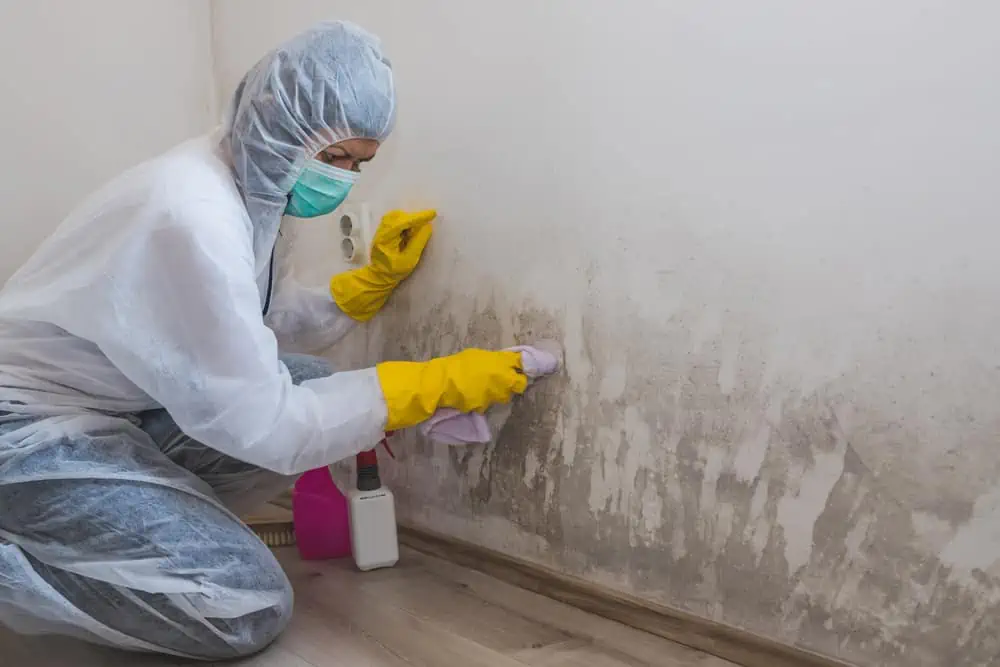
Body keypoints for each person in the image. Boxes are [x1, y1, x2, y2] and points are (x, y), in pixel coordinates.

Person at [0, 21, 526, 659]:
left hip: (111, 413)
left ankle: (126, 530)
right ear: (282, 121)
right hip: (25, 431)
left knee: (309, 381)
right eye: (335, 159)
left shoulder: (246, 182)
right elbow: (265, 426)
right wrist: (411, 387)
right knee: (242, 604)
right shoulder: (191, 210)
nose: (346, 181)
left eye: (360, 164)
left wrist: (362, 288)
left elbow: (242, 325)